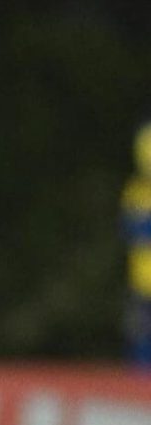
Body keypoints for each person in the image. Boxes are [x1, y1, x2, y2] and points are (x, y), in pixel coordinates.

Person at [122, 121, 151, 367]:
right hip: (141, 281)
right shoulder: (135, 192)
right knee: (141, 337)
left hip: (142, 279)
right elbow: (132, 231)